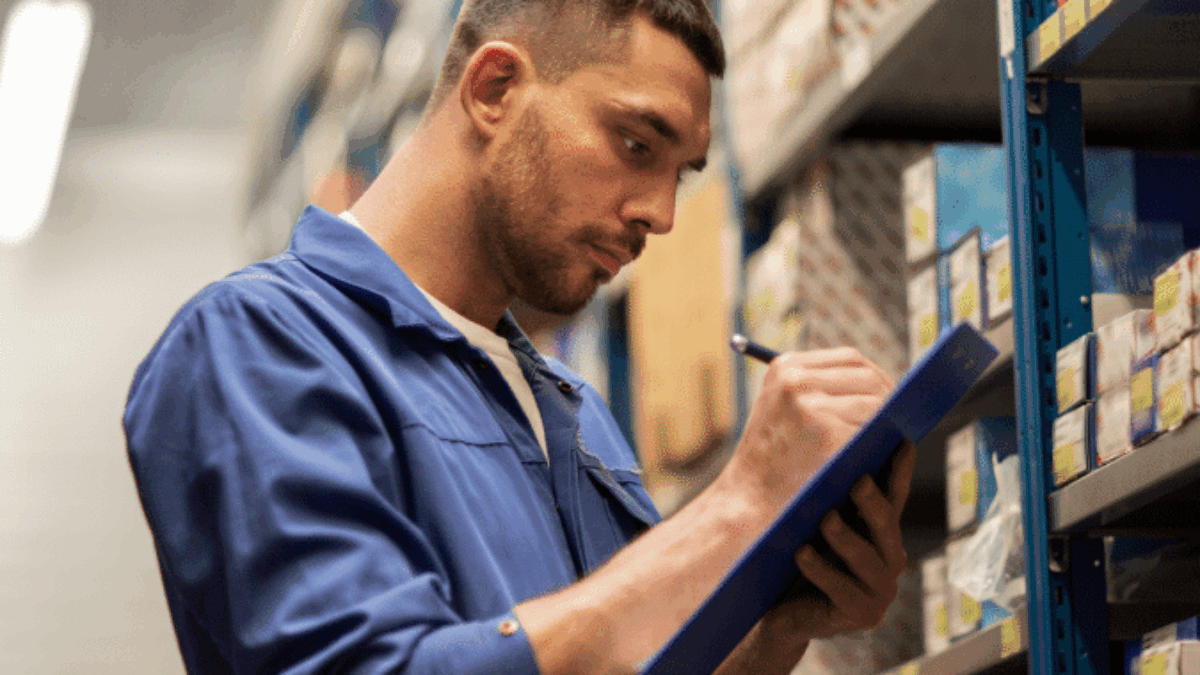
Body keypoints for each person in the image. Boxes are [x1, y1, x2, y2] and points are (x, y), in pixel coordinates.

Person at [123, 1, 914, 673]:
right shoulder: (257, 345)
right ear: (495, 88)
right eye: (637, 144)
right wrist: (737, 507)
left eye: (682, 172)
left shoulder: (574, 411)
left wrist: (781, 625)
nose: (661, 214)